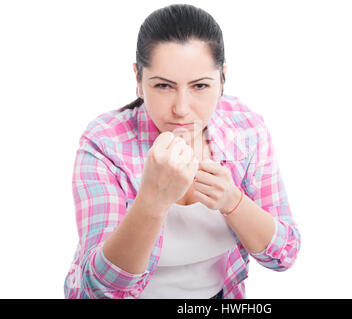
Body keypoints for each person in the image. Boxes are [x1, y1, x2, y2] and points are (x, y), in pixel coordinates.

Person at [64, 4, 300, 299]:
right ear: (138, 79)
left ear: (222, 78)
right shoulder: (105, 143)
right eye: (163, 85)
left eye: (200, 85)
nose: (181, 108)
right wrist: (152, 199)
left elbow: (285, 254)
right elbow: (98, 291)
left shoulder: (246, 129)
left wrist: (233, 201)